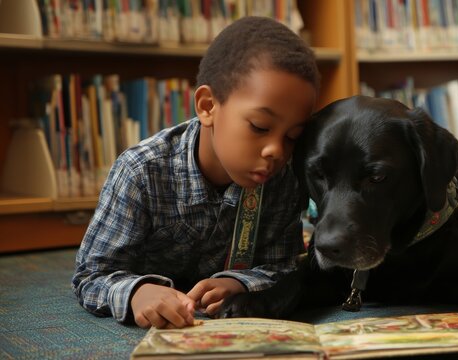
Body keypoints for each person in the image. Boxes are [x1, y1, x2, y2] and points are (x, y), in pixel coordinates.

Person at [72, 16, 320, 329]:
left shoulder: (282, 181)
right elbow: (91, 275)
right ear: (207, 106)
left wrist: (240, 284)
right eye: (260, 126)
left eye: (292, 137)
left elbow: (284, 267)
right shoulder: (141, 172)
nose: (276, 151)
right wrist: (137, 293)